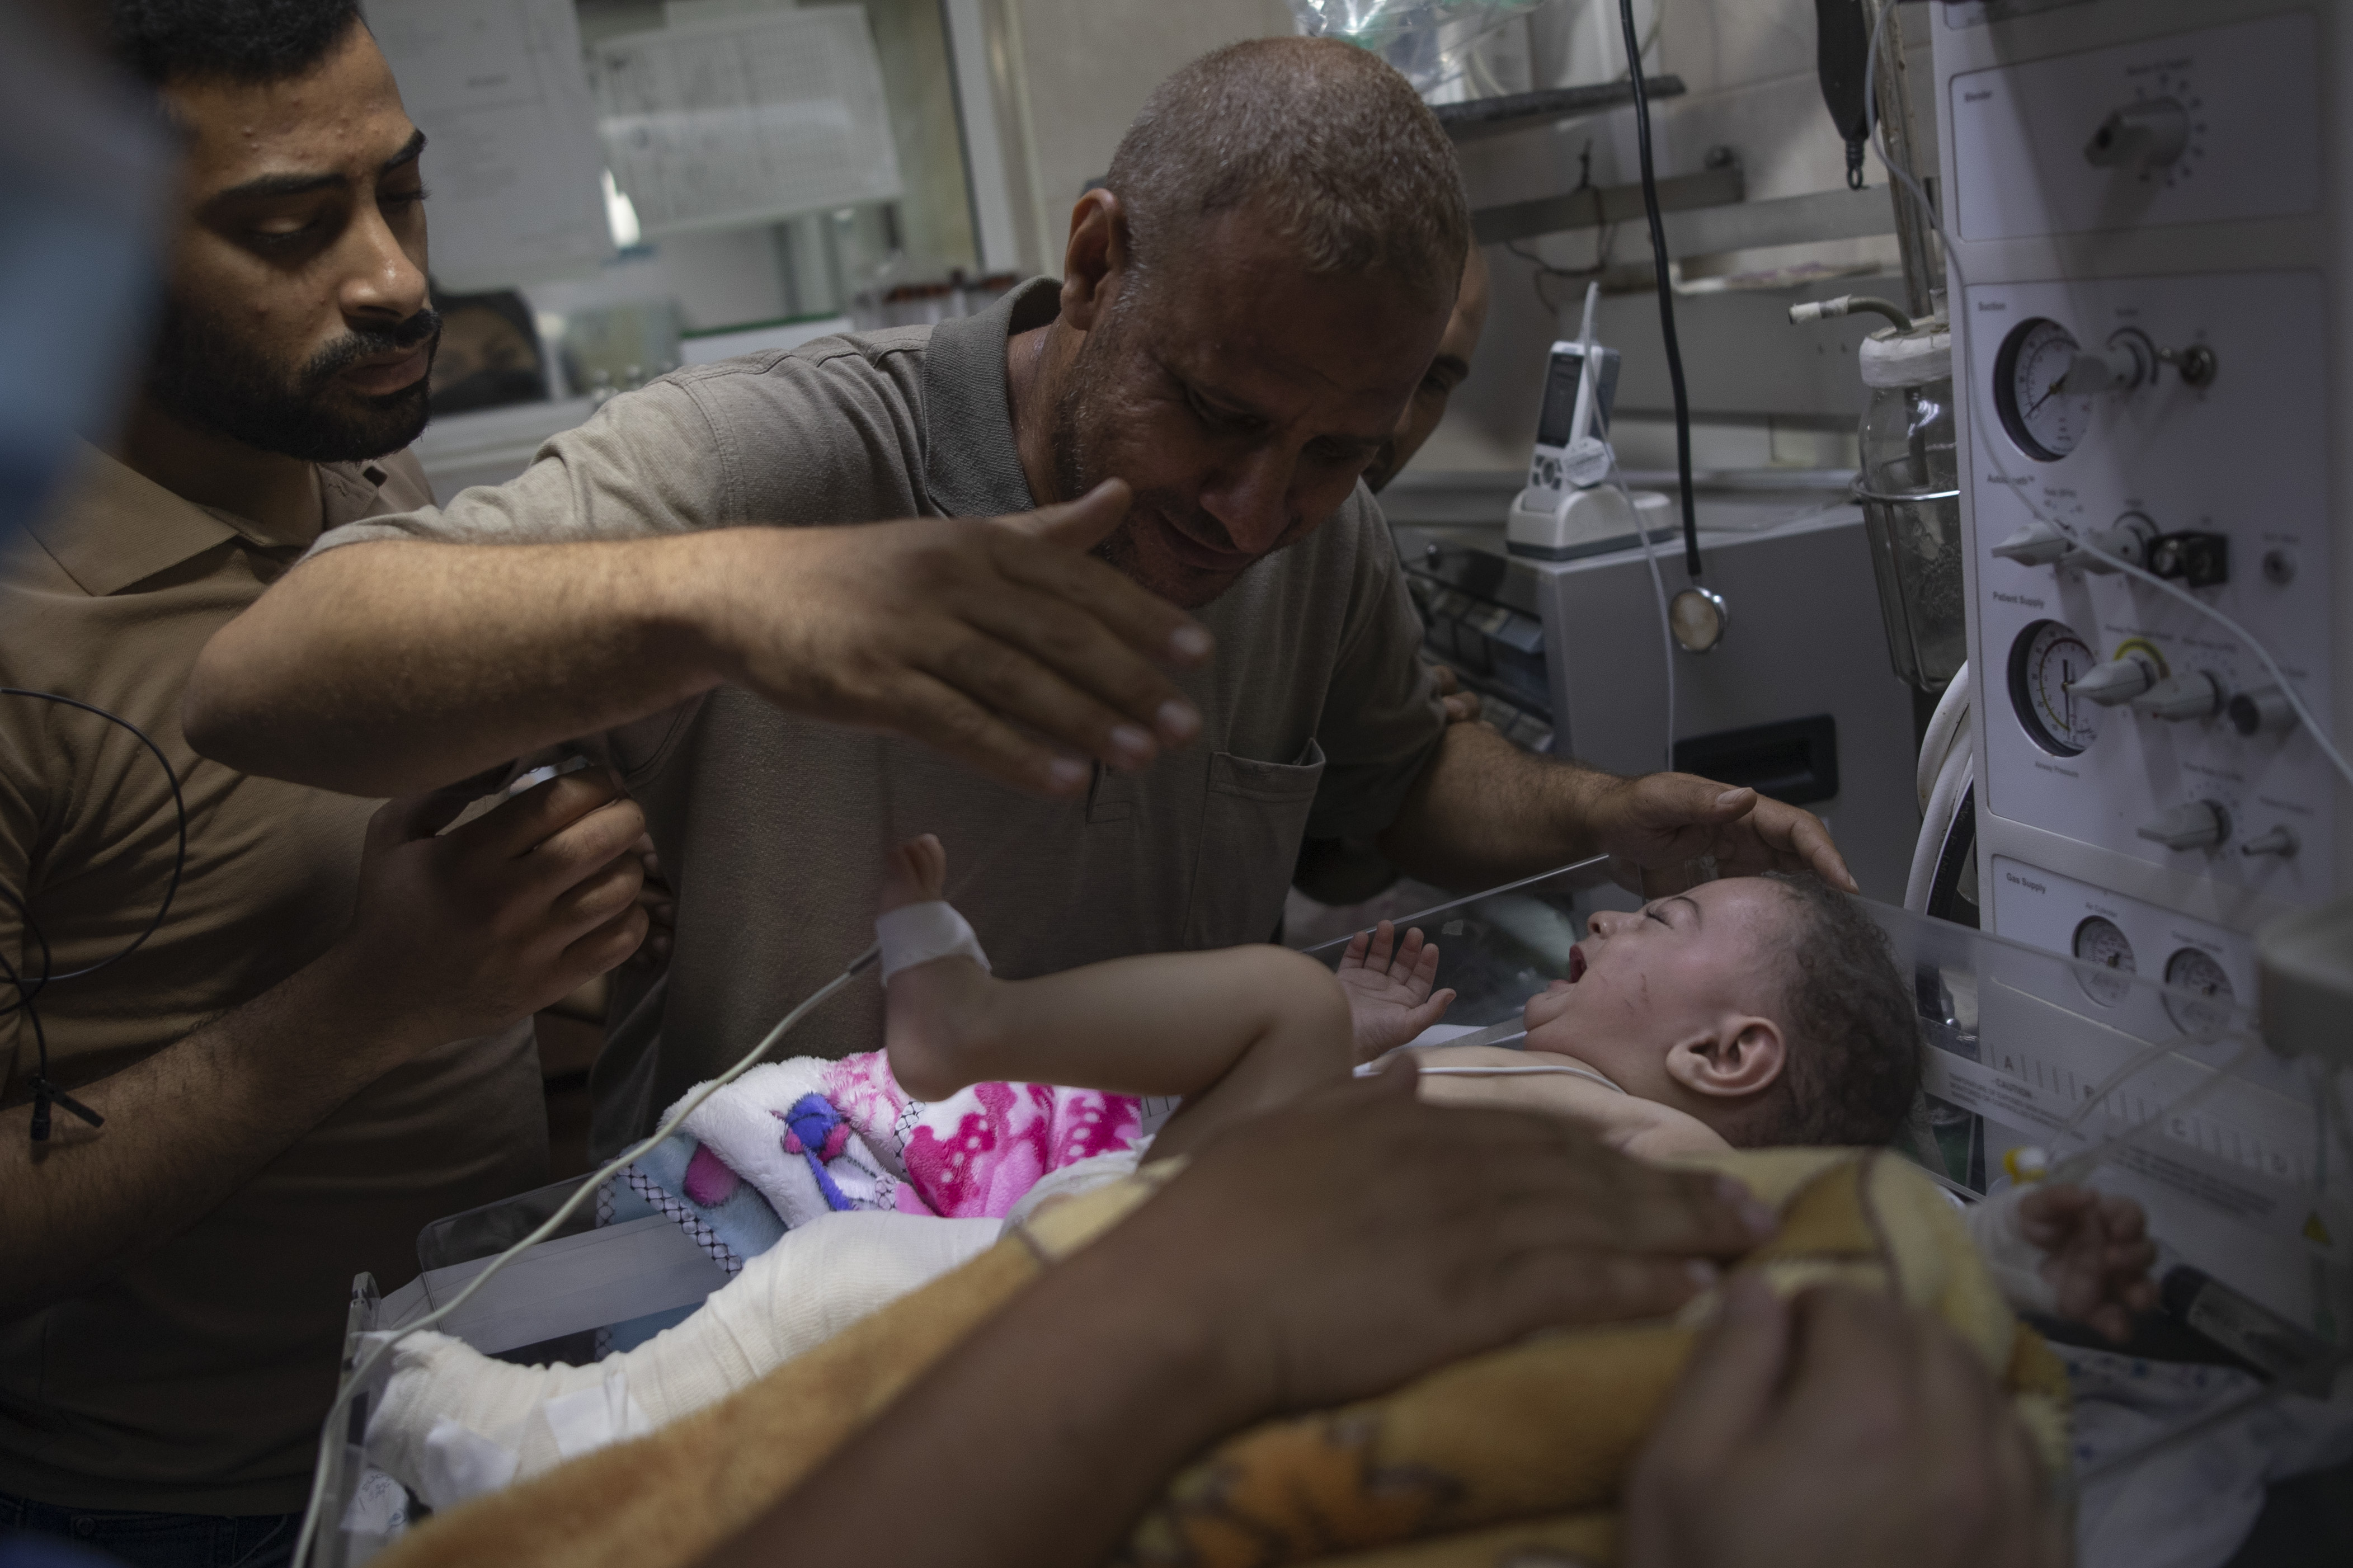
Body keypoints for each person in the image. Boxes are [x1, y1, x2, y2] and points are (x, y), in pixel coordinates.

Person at [182, 36, 1858, 1157]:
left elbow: (1393, 772)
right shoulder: (791, 456)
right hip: (806, 1247)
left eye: (1341, 448)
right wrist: (742, 600)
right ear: (1098, 261)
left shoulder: (1306, 526)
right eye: (1217, 414)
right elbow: (267, 679)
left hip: (1141, 1233)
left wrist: (1601, 809)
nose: (1258, 509)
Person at [0, 5, 653, 1559]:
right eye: (291, 228)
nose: (396, 279)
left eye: (402, 193)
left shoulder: (359, 468)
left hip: (474, 1423)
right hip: (161, 1510)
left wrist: (560, 932)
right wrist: (384, 996)